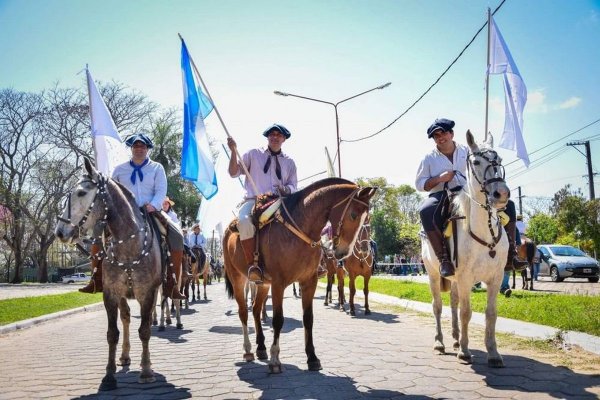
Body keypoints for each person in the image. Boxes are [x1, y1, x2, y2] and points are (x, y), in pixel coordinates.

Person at [416, 118, 527, 279]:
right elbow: (419, 184)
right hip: (442, 194)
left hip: (470, 193)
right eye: (436, 135)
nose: (441, 137)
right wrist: (439, 179)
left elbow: (483, 165)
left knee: (508, 205)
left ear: (451, 133)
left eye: (444, 133)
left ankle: (511, 254)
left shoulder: (467, 151)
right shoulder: (428, 158)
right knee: (426, 210)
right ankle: (444, 259)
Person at [79, 133, 186, 300]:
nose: (139, 149)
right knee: (97, 232)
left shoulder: (157, 168)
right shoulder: (120, 169)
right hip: (123, 214)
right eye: (136, 146)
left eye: (142, 146)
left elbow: (160, 190)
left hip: (149, 211)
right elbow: (110, 192)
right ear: (131, 148)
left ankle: (172, 284)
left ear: (148, 149)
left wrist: (154, 205)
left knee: (177, 235)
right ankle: (96, 279)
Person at [227, 124, 298, 283]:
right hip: (254, 200)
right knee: (244, 221)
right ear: (267, 137)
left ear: (284, 139)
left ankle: (311, 263)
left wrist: (285, 189)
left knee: (304, 218)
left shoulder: (290, 162)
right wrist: (233, 152)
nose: (274, 137)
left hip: (279, 201)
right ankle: (253, 266)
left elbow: (294, 186)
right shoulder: (253, 154)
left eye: (278, 135)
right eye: (271, 134)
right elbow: (233, 173)